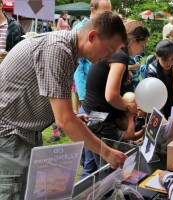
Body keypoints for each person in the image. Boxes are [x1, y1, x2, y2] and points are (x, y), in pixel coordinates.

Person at [0, 12, 127, 198]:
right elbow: (65, 122)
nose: (109, 58)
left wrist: (72, 117)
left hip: (24, 133)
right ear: (92, 36)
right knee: (14, 193)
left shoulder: (67, 49)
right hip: (9, 135)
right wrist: (107, 153)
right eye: (108, 50)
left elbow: (55, 103)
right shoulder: (58, 49)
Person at [79, 20, 149, 179]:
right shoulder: (120, 56)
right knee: (107, 175)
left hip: (92, 115)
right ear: (132, 41)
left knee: (91, 170)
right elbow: (111, 95)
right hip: (102, 121)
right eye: (142, 44)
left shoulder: (117, 55)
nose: (142, 50)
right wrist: (128, 107)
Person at [48, 0, 112, 143]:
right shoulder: (64, 47)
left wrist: (72, 116)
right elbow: (64, 119)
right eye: (104, 13)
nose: (108, 57)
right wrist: (83, 94)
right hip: (13, 133)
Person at [144, 39, 173, 119]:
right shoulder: (152, 70)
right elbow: (153, 98)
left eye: (172, 59)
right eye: (165, 59)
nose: (169, 63)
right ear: (157, 56)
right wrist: (161, 118)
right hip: (159, 101)